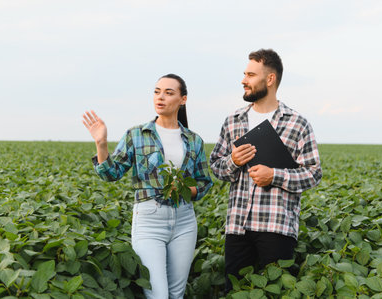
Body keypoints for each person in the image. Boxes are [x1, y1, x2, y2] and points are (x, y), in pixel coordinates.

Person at [82, 74, 213, 299]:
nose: (160, 97)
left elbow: (204, 182)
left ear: (183, 99)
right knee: (158, 295)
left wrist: (184, 189)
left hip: (184, 220)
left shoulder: (194, 140)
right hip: (149, 219)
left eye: (168, 93)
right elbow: (111, 174)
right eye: (157, 91)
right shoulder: (136, 135)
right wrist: (101, 144)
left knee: (176, 294)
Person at [209, 49, 322, 292]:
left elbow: (313, 174)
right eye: (244, 74)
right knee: (235, 293)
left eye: (250, 75)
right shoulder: (233, 121)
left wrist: (274, 175)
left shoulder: (297, 123)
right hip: (237, 226)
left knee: (278, 291)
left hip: (276, 227)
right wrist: (233, 161)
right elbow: (217, 167)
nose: (243, 80)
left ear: (270, 79)